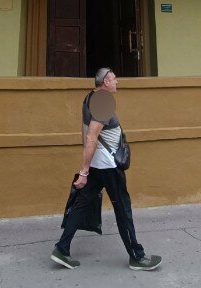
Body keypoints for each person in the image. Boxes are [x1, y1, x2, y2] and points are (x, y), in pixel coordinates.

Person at [50, 67, 162, 271]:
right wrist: (84, 171)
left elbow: (86, 133)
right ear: (105, 83)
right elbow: (91, 136)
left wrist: (89, 166)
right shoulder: (103, 100)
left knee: (81, 204)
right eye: (114, 79)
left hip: (97, 164)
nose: (117, 81)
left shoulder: (90, 97)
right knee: (123, 209)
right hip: (108, 166)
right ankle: (137, 257)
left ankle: (62, 248)